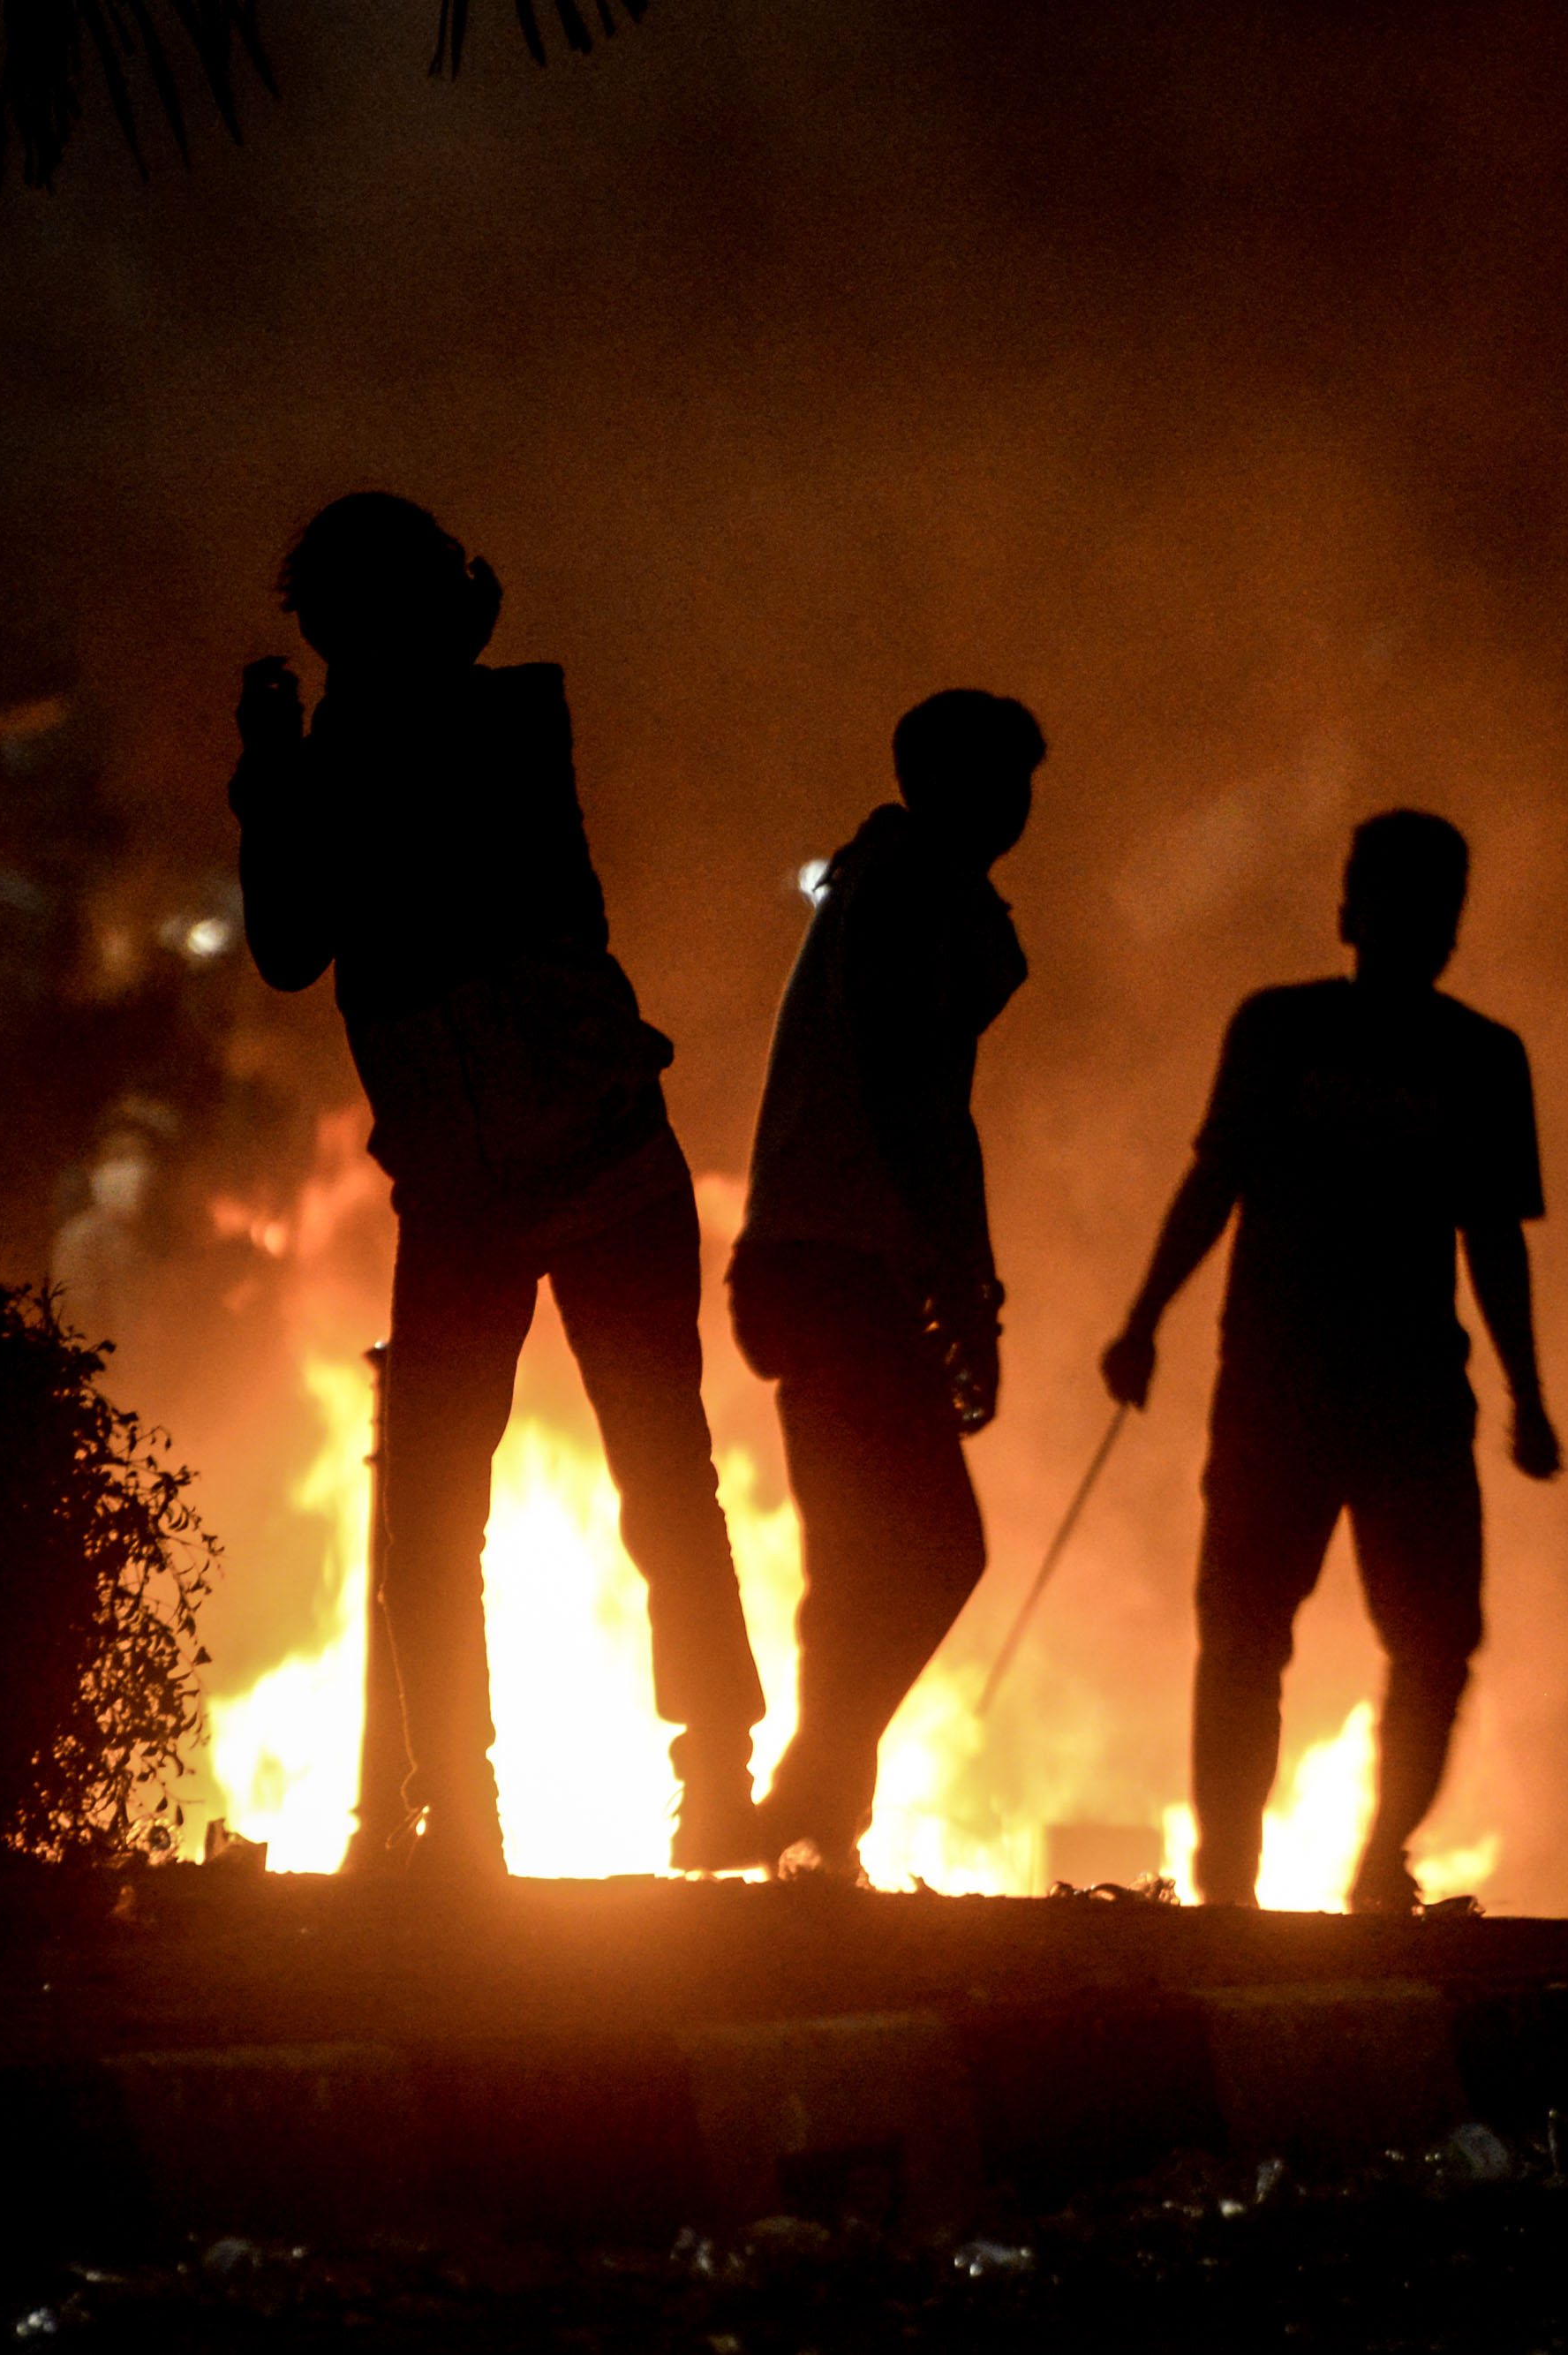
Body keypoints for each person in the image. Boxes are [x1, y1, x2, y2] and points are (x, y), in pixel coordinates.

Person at [230, 492, 765, 1879]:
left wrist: (276, 775)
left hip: (554, 1168)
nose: (341, 653)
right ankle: (580, 1790)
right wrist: (291, 772)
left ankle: (531, 1800)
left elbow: (300, 935)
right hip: (528, 1177)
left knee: (552, 1492)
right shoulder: (465, 722)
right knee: (619, 1485)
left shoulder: (469, 732)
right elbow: (305, 937)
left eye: (348, 626)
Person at [1102, 810, 1560, 1913]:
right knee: (1252, 1631)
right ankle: (1230, 1883)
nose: (1411, 919)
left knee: (1427, 1639)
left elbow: (1492, 1238)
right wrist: (1144, 1317)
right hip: (1285, 1386)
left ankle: (1368, 1863)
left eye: (1429, 900)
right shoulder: (1281, 1031)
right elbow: (1216, 1181)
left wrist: (1528, 1392)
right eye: (1393, 893)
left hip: (1393, 1391)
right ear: (1353, 909)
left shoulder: (1481, 1061)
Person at [727, 690, 1041, 1876]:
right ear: (963, 787)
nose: (1020, 809)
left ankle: (818, 1822)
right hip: (844, 1260)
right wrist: (968, 1287)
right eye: (1007, 781)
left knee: (860, 1555)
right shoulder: (927, 892)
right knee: (935, 1550)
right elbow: (924, 1105)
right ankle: (813, 1790)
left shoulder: (875, 876)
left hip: (797, 1255)